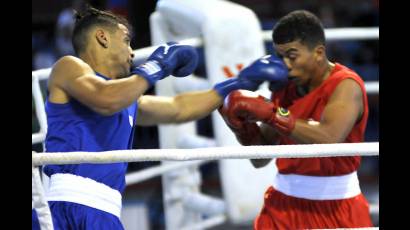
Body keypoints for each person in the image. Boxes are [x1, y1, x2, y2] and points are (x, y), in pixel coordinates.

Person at [37, 6, 288, 229]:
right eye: (126, 40)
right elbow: (105, 99)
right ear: (102, 37)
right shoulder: (70, 67)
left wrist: (239, 82)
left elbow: (178, 108)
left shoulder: (128, 98)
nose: (132, 52)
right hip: (64, 204)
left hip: (105, 210)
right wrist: (156, 67)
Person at [218, 10, 373, 229]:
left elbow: (329, 138)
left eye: (292, 56)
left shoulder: (346, 86)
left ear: (318, 52)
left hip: (337, 207)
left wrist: (272, 114)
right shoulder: (285, 88)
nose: (285, 65)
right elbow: (260, 158)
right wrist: (241, 127)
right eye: (280, 57)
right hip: (282, 206)